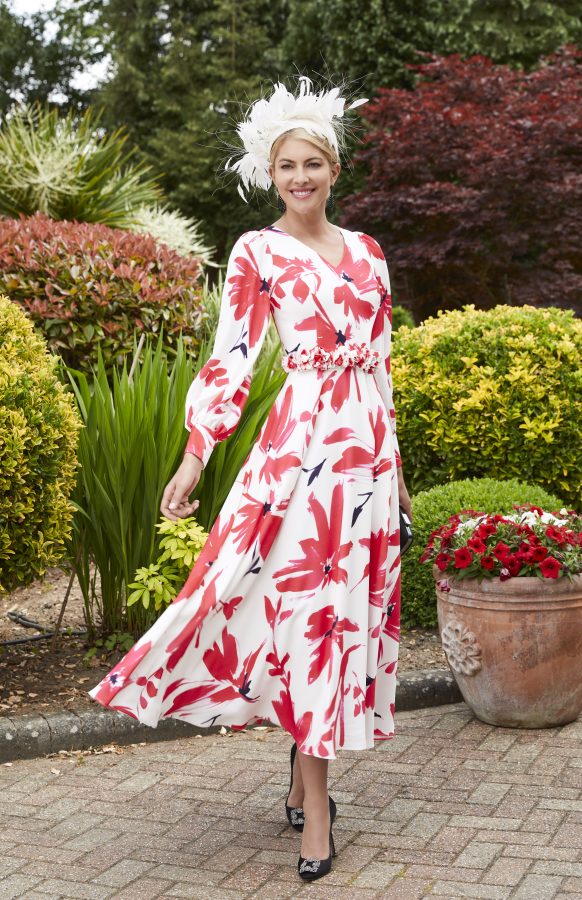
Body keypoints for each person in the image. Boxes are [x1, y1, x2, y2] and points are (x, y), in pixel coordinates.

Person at [88, 77, 412, 882]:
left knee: (341, 619)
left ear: (334, 169)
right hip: (298, 456)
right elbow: (231, 356)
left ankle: (307, 776)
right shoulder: (256, 252)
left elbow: (382, 369)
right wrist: (198, 451)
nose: (300, 178)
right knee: (303, 614)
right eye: (286, 167)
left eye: (313, 163)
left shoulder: (370, 252)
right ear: (272, 176)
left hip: (364, 462)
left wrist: (398, 470)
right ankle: (317, 812)